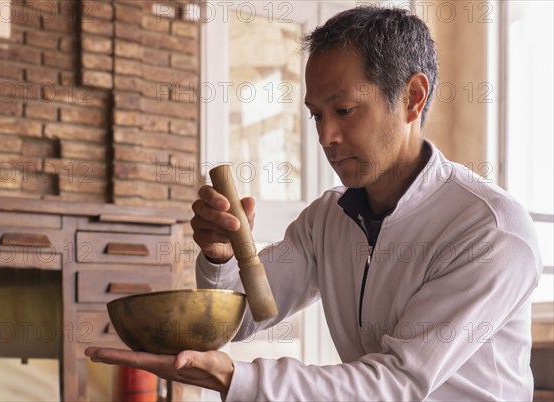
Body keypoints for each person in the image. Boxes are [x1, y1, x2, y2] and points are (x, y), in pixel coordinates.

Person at [86, 6, 542, 400]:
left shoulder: (490, 230)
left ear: (412, 97)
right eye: (316, 115)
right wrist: (221, 255)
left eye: (343, 110)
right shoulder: (327, 218)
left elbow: (397, 384)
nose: (326, 137)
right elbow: (245, 316)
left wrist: (235, 378)